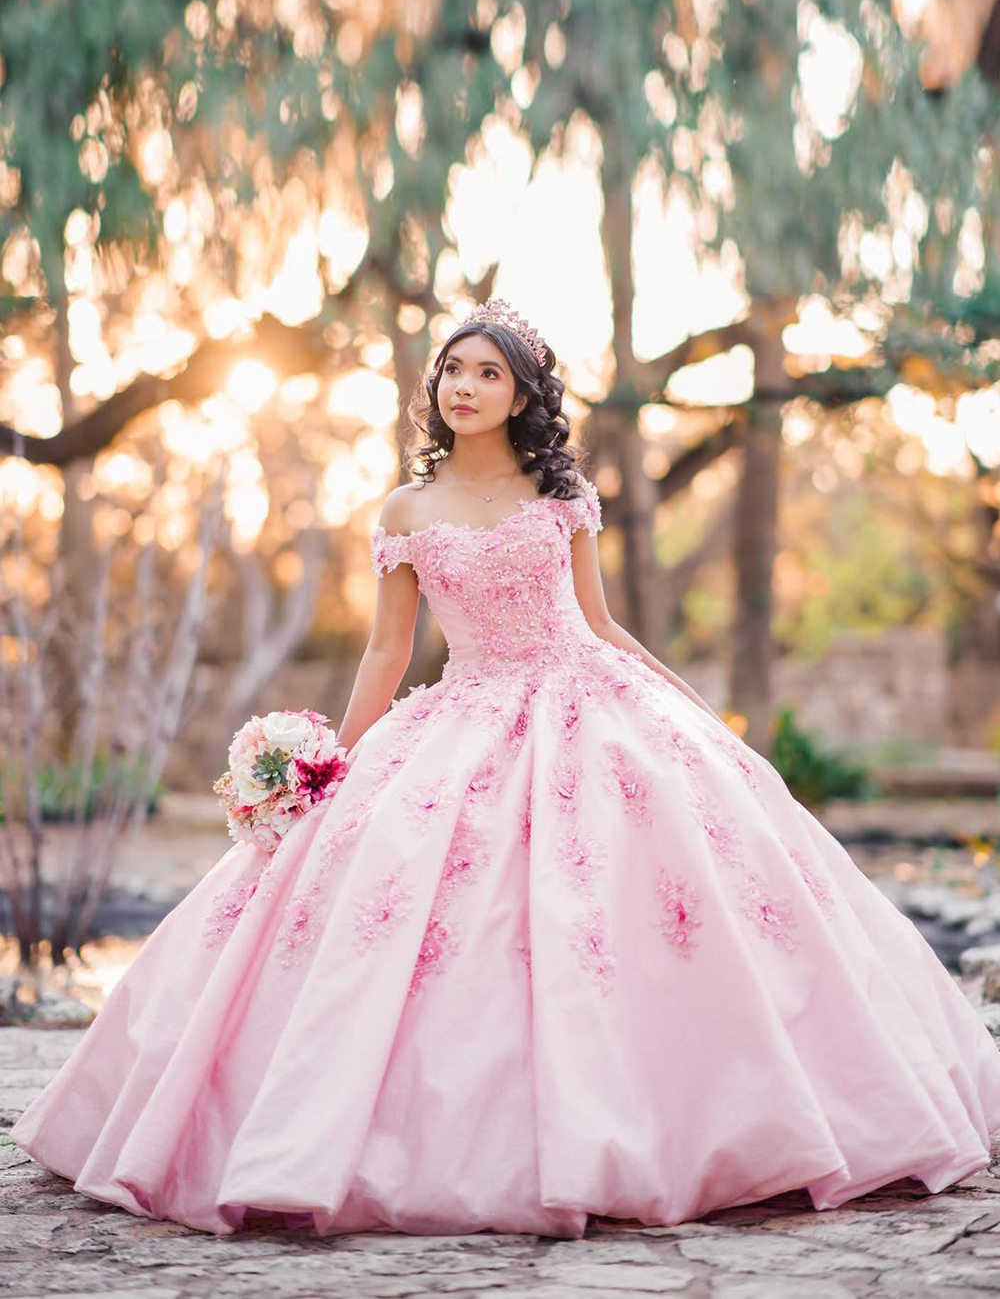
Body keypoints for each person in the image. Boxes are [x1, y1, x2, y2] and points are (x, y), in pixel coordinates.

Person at [10, 297, 1000, 1239]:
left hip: (587, 703)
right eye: (452, 369)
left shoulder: (561, 493)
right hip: (461, 712)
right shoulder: (406, 505)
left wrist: (688, 707)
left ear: (524, 396)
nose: (465, 386)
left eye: (488, 373)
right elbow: (386, 652)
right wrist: (330, 765)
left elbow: (601, 623)